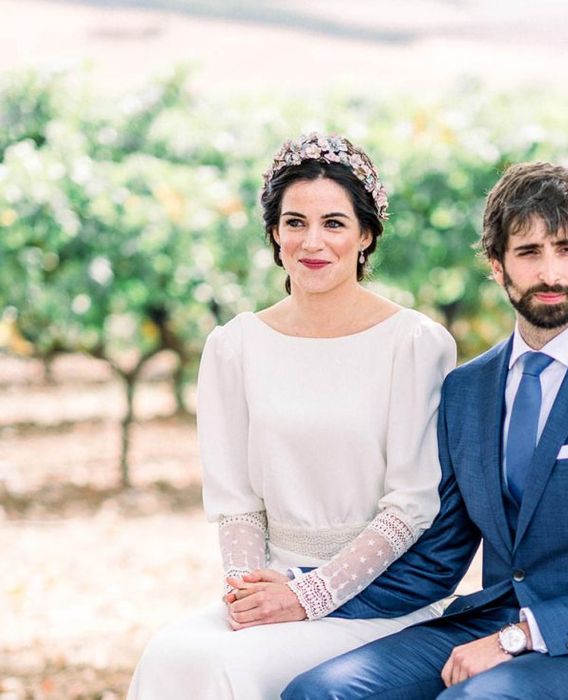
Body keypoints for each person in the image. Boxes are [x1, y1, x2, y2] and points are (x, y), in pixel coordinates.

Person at [283, 161, 568, 699]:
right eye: (528, 253)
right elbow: (436, 561)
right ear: (497, 265)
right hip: (492, 620)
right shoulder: (467, 390)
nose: (550, 273)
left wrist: (521, 637)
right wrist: (305, 589)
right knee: (320, 692)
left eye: (566, 249)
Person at [127, 133, 468, 699]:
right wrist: (246, 594)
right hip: (271, 585)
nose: (313, 242)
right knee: (169, 655)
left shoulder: (414, 343)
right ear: (274, 234)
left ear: (366, 235)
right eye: (295, 222)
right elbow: (236, 503)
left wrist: (307, 596)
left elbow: (410, 508)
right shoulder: (234, 346)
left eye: (334, 223)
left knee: (230, 669)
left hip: (376, 598)